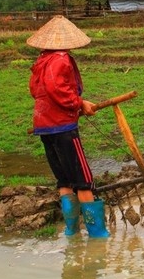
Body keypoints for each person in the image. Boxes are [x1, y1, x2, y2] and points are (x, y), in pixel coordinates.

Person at [27, 15, 109, 238]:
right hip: (63, 127)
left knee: (64, 180)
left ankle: (72, 232)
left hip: (44, 126)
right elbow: (57, 88)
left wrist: (76, 105)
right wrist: (78, 103)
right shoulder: (61, 59)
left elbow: (36, 91)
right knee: (83, 181)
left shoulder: (41, 61)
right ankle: (97, 234)